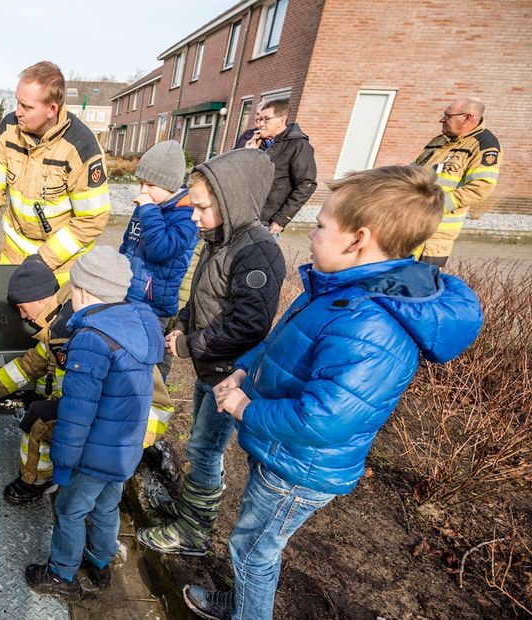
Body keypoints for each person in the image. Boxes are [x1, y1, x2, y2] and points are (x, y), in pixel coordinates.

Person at [181, 166, 484, 620]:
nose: (312, 234)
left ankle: (248, 612)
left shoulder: (370, 325)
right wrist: (244, 370)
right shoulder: (342, 288)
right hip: (284, 453)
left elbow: (323, 418)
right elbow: (286, 340)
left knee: (253, 550)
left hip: (299, 467)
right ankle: (244, 602)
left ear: (358, 238)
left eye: (321, 225)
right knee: (253, 540)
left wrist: (245, 409)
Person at [137, 148, 286, 557]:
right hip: (210, 367)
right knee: (201, 447)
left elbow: (249, 325)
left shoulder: (257, 251)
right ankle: (190, 508)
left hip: (228, 372)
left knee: (205, 449)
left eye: (202, 207)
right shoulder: (219, 238)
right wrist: (184, 322)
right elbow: (199, 293)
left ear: (231, 200)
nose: (194, 216)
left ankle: (194, 531)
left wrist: (191, 344)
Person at [24, 246, 164, 601]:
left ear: (83, 291)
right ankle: (100, 564)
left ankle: (60, 574)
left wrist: (63, 462)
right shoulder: (135, 324)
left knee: (69, 510)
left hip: (94, 454)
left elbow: (77, 411)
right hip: (125, 450)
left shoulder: (89, 338)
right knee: (105, 507)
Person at [0, 61, 111, 284]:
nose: (18, 112)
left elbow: (91, 219)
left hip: (58, 272)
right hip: (11, 262)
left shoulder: (82, 148)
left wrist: (43, 259)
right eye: (17, 102)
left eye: (26, 106)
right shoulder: (9, 129)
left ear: (51, 109)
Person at [118, 140, 199, 447]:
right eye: (141, 182)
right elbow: (129, 243)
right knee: (129, 353)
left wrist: (149, 209)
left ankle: (148, 428)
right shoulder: (147, 208)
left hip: (156, 304)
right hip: (131, 294)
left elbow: (161, 249)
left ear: (169, 185)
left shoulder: (184, 215)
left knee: (154, 361)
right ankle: (126, 402)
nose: (143, 190)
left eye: (149, 184)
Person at [0, 256, 73, 504]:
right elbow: (31, 364)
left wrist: (47, 408)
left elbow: (79, 390)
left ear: (40, 300)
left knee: (37, 421)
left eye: (23, 308)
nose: (23, 316)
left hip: (106, 412)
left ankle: (34, 483)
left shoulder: (64, 332)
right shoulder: (60, 317)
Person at [411, 96, 502, 268]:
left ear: (467, 117)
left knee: (417, 287)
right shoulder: (440, 140)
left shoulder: (484, 146)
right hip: (409, 225)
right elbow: (414, 171)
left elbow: (480, 188)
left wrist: (434, 206)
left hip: (434, 235)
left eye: (448, 115)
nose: (441, 119)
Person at [243, 99, 316, 234]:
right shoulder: (257, 142)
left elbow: (306, 184)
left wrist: (281, 219)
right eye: (260, 119)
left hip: (266, 221)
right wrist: (248, 154)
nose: (261, 124)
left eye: (266, 119)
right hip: (245, 214)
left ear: (282, 120)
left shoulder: (298, 145)